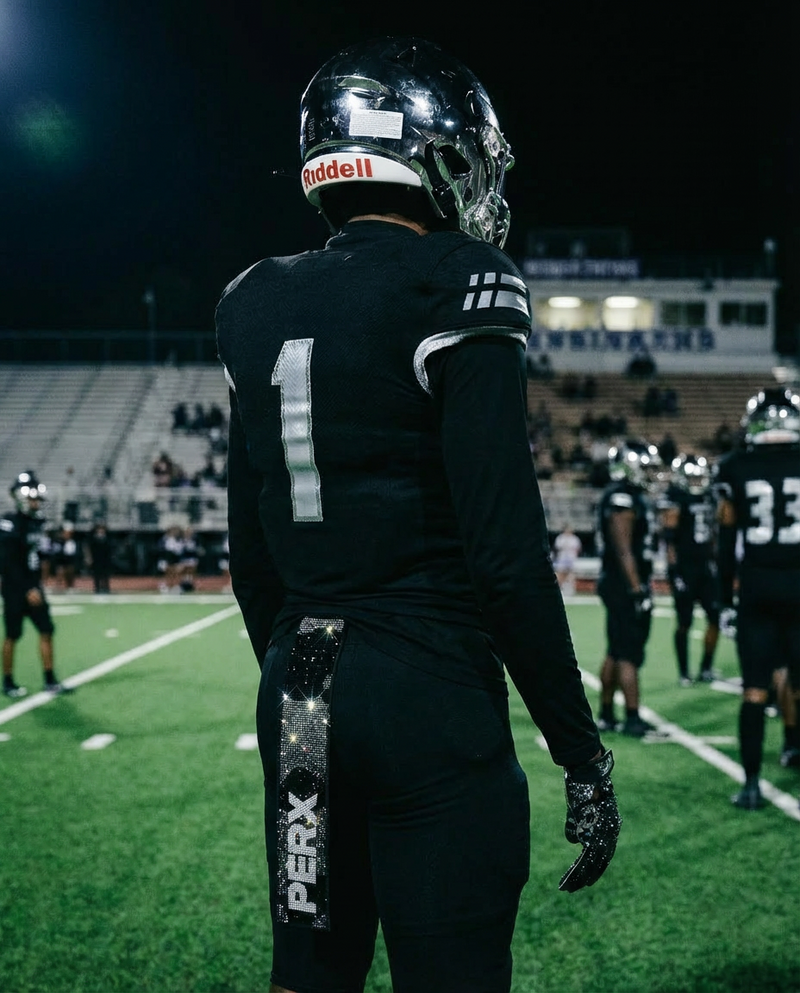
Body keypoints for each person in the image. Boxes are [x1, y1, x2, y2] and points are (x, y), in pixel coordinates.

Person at [216, 37, 620, 993]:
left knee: (310, 974)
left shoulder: (251, 299)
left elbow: (250, 556)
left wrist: (301, 673)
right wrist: (580, 749)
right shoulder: (457, 276)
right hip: (427, 690)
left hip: (298, 688)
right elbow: (506, 554)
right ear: (429, 150)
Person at [714, 387, 800, 810]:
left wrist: (725, 591)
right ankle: (794, 746)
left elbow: (726, 535)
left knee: (754, 688)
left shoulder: (735, 467)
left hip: (758, 586)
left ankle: (751, 783)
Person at [595, 440, 661, 737]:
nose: (648, 473)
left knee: (615, 649)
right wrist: (637, 589)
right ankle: (632, 717)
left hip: (619, 582)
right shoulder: (622, 497)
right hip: (623, 585)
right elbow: (624, 549)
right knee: (628, 654)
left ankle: (607, 713)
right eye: (644, 467)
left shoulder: (627, 495)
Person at [0, 471, 72, 697]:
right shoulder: (9, 523)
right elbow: (7, 564)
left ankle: (50, 679)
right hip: (15, 589)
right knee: (12, 635)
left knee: (46, 630)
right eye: (32, 498)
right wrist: (26, 589)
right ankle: (8, 682)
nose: (36, 503)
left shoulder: (34, 523)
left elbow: (35, 557)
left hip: (32, 586)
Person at [659, 454, 721, 685]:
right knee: (684, 622)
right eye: (692, 477)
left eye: (699, 477)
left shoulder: (710, 495)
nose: (697, 482)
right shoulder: (675, 497)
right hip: (685, 568)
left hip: (705, 566)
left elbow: (714, 532)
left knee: (715, 617)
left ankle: (706, 667)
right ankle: (684, 671)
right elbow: (669, 538)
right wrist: (674, 571)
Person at [553, 525, 583, 595]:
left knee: (571, 574)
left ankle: (571, 589)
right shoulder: (560, 538)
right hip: (562, 558)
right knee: (560, 574)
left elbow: (578, 549)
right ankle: (559, 588)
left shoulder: (575, 539)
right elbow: (557, 548)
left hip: (571, 559)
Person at [87, 521, 112, 594]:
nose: (101, 530)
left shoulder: (107, 538)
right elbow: (89, 548)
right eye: (99, 529)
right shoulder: (93, 538)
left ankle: (106, 587)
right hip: (96, 559)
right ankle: (97, 588)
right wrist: (89, 558)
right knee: (96, 574)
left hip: (105, 559)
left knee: (105, 574)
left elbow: (110, 549)